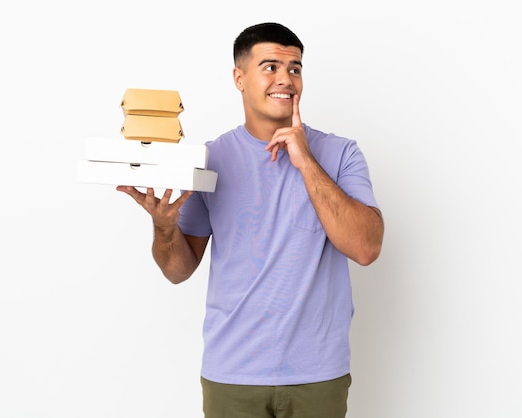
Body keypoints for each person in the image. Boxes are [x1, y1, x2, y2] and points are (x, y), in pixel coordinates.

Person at [117, 22, 384, 418]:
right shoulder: (210, 159)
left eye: (295, 69)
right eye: (271, 67)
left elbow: (365, 248)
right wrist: (164, 227)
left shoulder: (340, 153)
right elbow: (177, 270)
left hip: (317, 376)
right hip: (233, 376)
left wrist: (305, 160)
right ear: (239, 78)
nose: (286, 79)